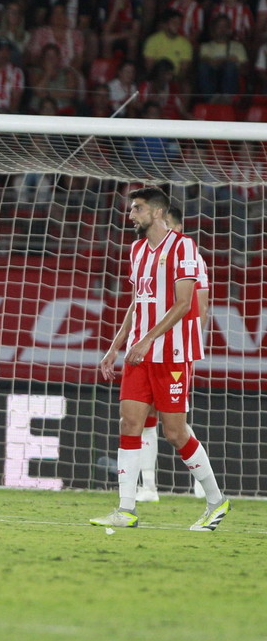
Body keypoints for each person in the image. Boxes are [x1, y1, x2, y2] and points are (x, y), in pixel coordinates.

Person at [92, 188, 229, 531]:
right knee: (129, 423)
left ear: (156, 213)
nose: (131, 214)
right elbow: (138, 302)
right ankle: (126, 509)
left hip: (172, 353)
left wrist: (149, 338)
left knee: (174, 432)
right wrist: (116, 345)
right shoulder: (136, 250)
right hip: (139, 353)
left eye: (137, 208)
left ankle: (216, 501)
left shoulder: (183, 246)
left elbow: (185, 303)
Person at [137, 206, 210, 503]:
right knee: (143, 415)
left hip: (176, 350)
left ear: (177, 228)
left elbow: (199, 308)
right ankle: (148, 487)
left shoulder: (192, 259)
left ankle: (202, 482)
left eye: (168, 225)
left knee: (174, 422)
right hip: (149, 348)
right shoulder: (147, 257)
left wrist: (186, 348)